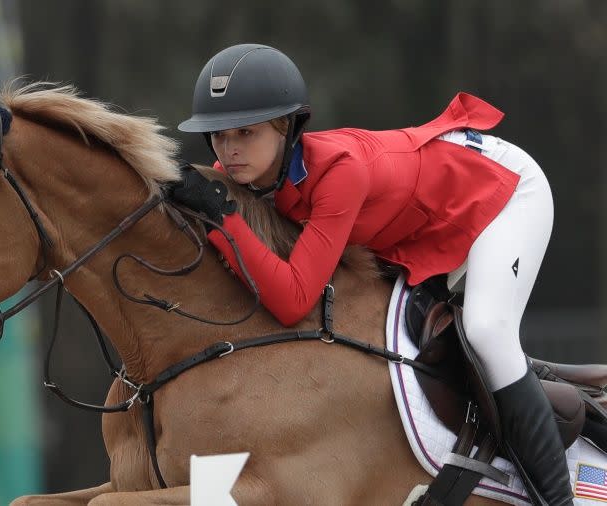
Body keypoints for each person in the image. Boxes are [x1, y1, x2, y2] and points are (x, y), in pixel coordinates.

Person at [172, 43, 572, 504]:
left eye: (245, 132)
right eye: (218, 136)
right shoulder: (246, 172)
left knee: (487, 331)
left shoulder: (340, 173)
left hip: (501, 190)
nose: (230, 150)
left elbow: (293, 299)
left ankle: (558, 499)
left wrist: (225, 223)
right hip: (422, 215)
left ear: (286, 128)